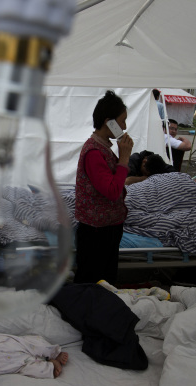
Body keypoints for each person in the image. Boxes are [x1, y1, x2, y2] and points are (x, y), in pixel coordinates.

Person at [74, 90, 134, 284]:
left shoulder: (104, 147)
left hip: (106, 227)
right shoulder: (94, 152)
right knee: (93, 281)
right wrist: (124, 157)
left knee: (104, 280)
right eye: (122, 121)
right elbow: (112, 191)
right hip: (97, 232)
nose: (125, 126)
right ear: (109, 122)